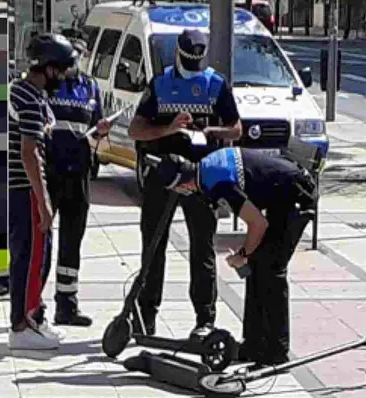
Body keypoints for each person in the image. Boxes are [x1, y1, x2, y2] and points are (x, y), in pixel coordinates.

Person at [153, 146, 317, 367]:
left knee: (271, 270)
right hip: (282, 194)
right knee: (257, 266)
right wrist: (249, 255)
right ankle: (253, 345)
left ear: (183, 186)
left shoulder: (219, 184)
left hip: (297, 196)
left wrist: (242, 254)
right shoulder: (207, 166)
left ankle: (276, 352)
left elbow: (258, 224)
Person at [128, 29, 243, 340]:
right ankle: (145, 316)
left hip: (201, 176)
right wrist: (168, 128)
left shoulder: (216, 84)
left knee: (202, 249)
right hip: (162, 175)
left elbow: (236, 129)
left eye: (196, 63)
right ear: (177, 53)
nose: (191, 68)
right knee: (153, 247)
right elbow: (136, 130)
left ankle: (204, 318)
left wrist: (212, 130)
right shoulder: (161, 83)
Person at [8, 33, 77, 350]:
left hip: (20, 188)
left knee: (32, 256)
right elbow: (29, 152)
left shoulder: (22, 92)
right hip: (26, 189)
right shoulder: (32, 100)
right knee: (33, 257)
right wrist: (45, 202)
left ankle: (32, 317)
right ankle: (23, 325)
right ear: (48, 68)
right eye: (61, 70)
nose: (63, 77)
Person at [43, 33, 111, 326]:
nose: (76, 61)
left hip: (79, 171)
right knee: (42, 239)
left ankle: (66, 305)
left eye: (80, 55)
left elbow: (96, 133)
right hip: (49, 169)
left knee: (72, 240)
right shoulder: (48, 84)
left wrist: (102, 129)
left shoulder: (90, 87)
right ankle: (33, 306)